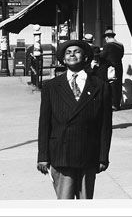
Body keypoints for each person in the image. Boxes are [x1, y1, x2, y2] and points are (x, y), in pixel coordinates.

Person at [36, 39, 112, 200]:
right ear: (63, 59)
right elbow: (44, 124)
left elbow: (105, 126)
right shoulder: (51, 87)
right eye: (68, 52)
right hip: (61, 155)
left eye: (77, 51)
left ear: (85, 57)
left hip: (89, 153)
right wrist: (43, 156)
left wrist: (103, 157)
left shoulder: (100, 85)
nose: (72, 55)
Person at [97, 29, 124, 110]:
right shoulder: (120, 45)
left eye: (105, 37)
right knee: (118, 85)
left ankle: (112, 104)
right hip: (119, 66)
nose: (105, 39)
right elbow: (121, 55)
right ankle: (117, 104)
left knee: (111, 86)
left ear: (107, 37)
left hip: (110, 68)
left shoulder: (108, 45)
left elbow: (102, 56)